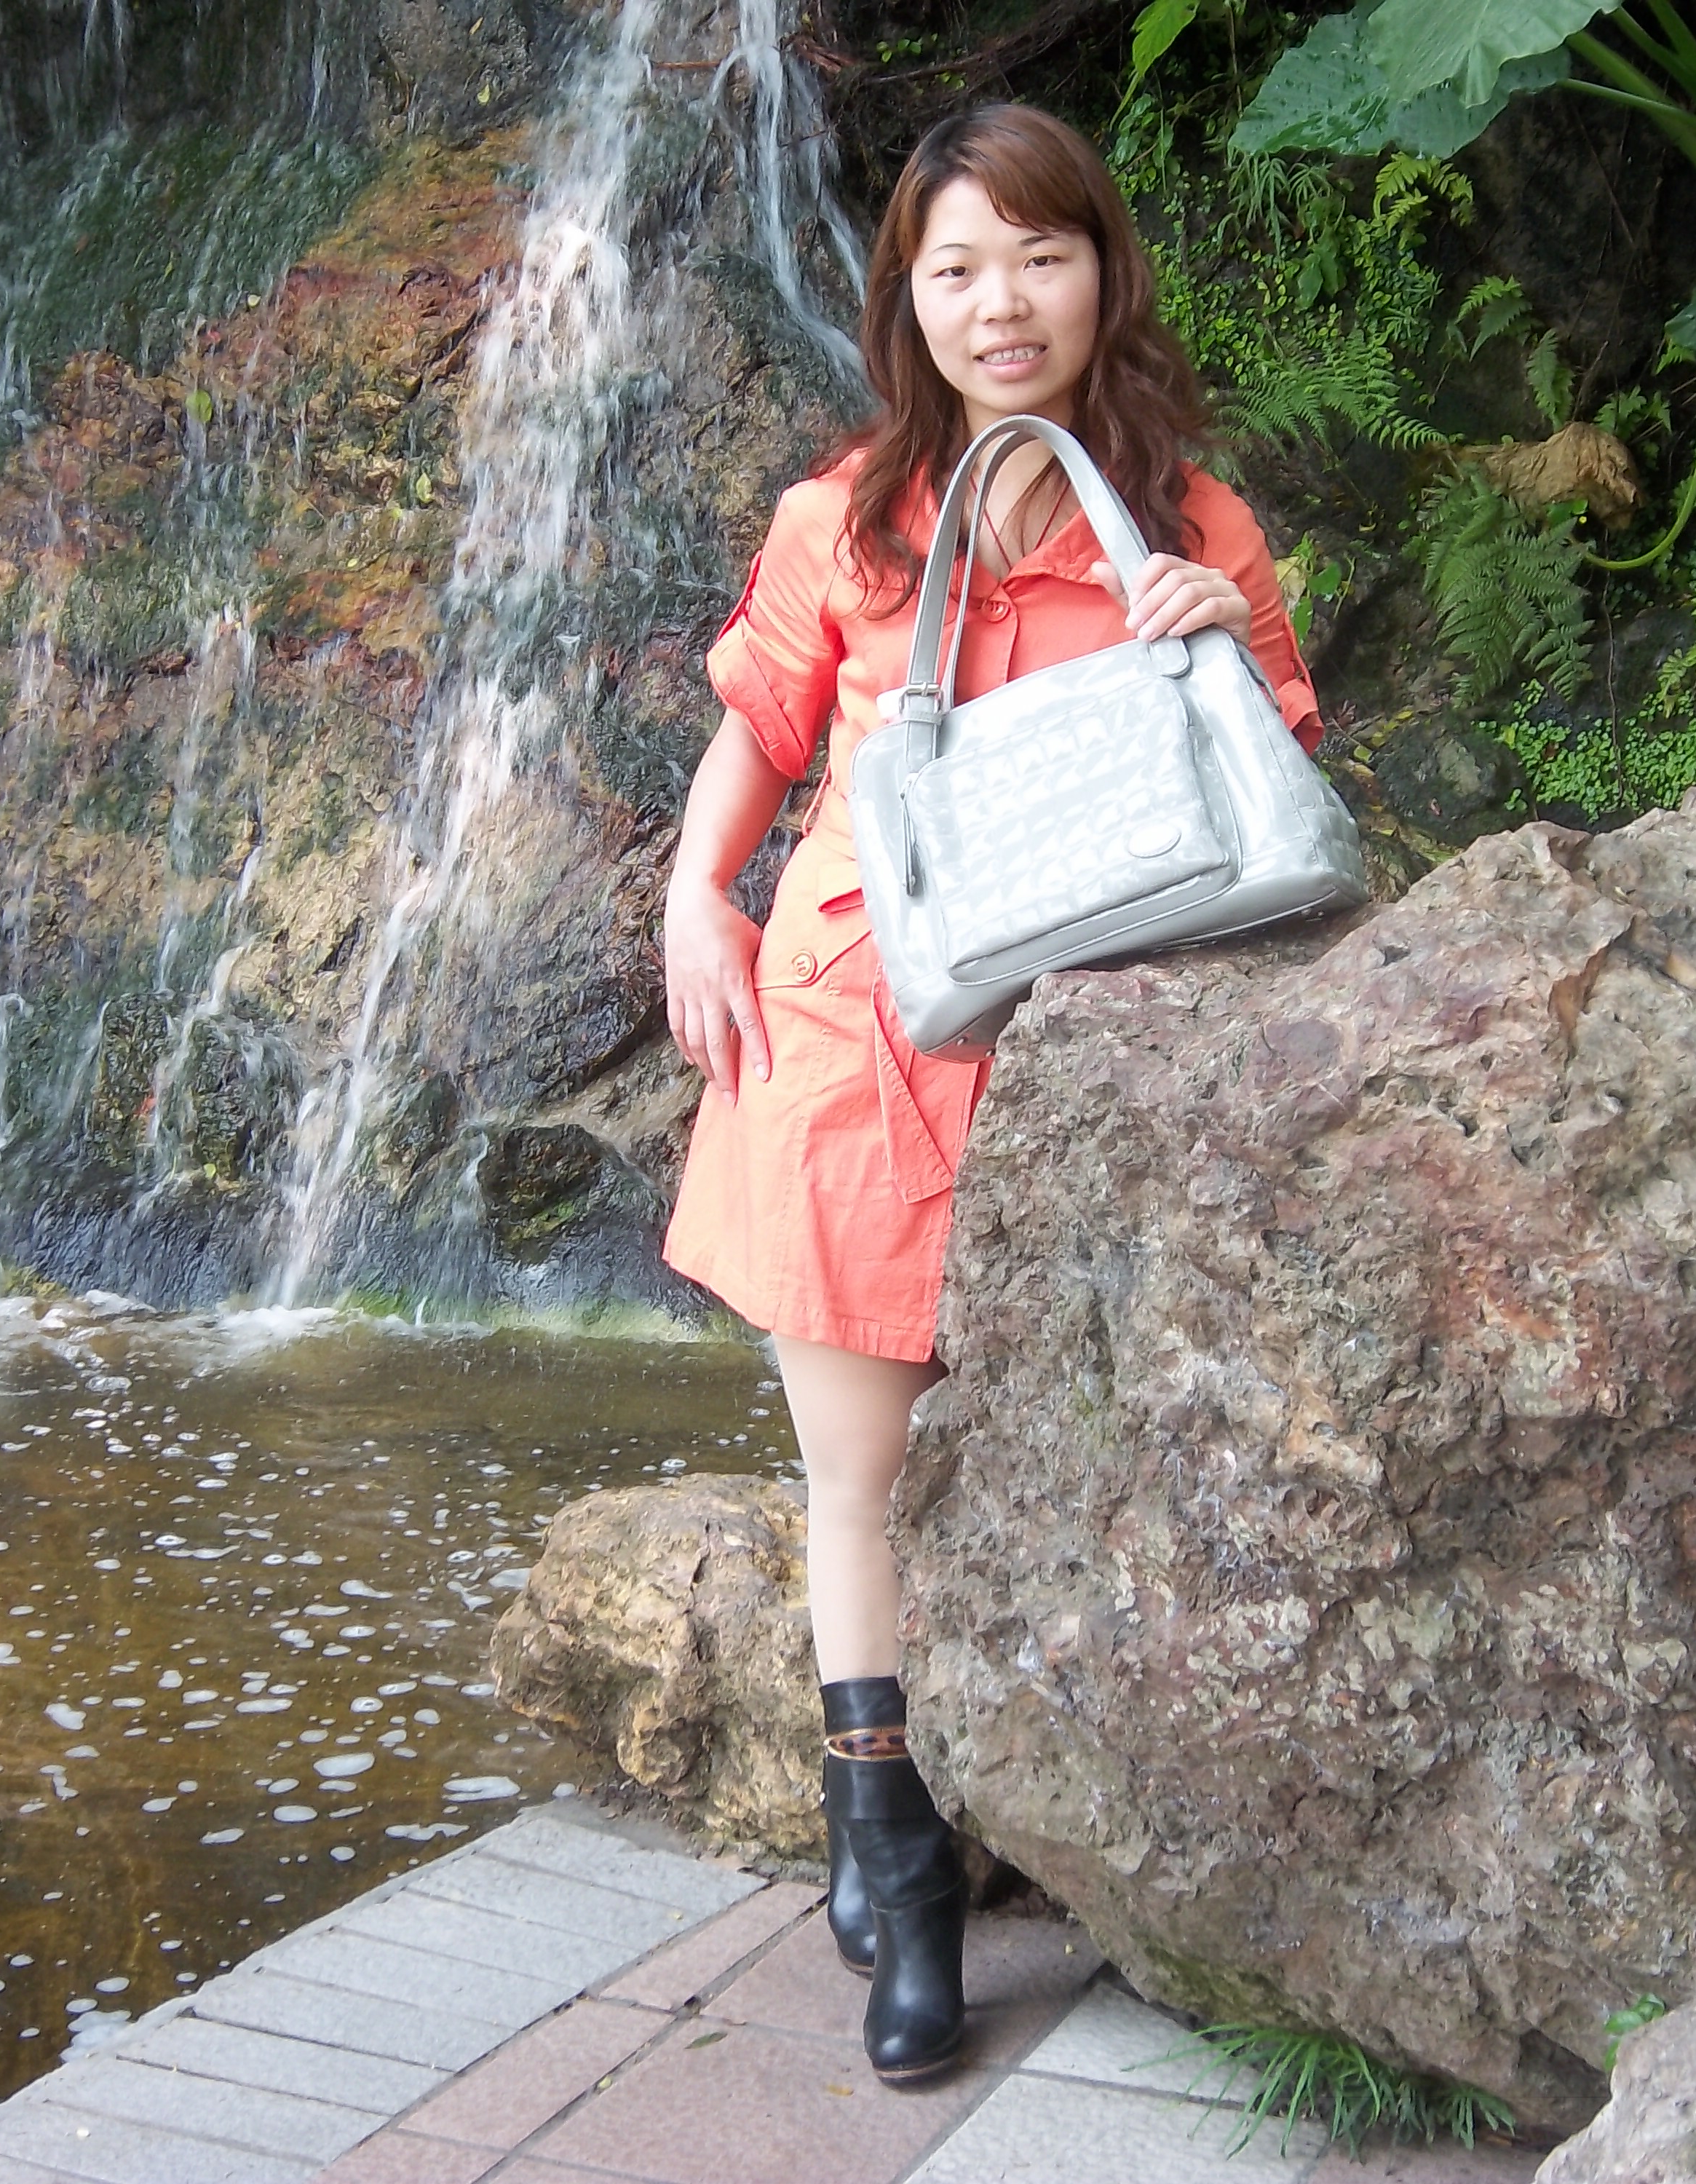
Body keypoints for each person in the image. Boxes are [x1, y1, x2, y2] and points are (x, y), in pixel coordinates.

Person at [657, 104, 1323, 2085]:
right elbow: (762, 728)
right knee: (857, 1476)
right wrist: (694, 892)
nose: (1001, 301)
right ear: (909, 298)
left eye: (1040, 254)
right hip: (860, 1036)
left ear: (1101, 270)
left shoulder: (1190, 525)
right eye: (957, 266)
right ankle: (905, 1881)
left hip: (1098, 1061)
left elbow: (1283, 783)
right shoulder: (845, 523)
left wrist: (1224, 638)